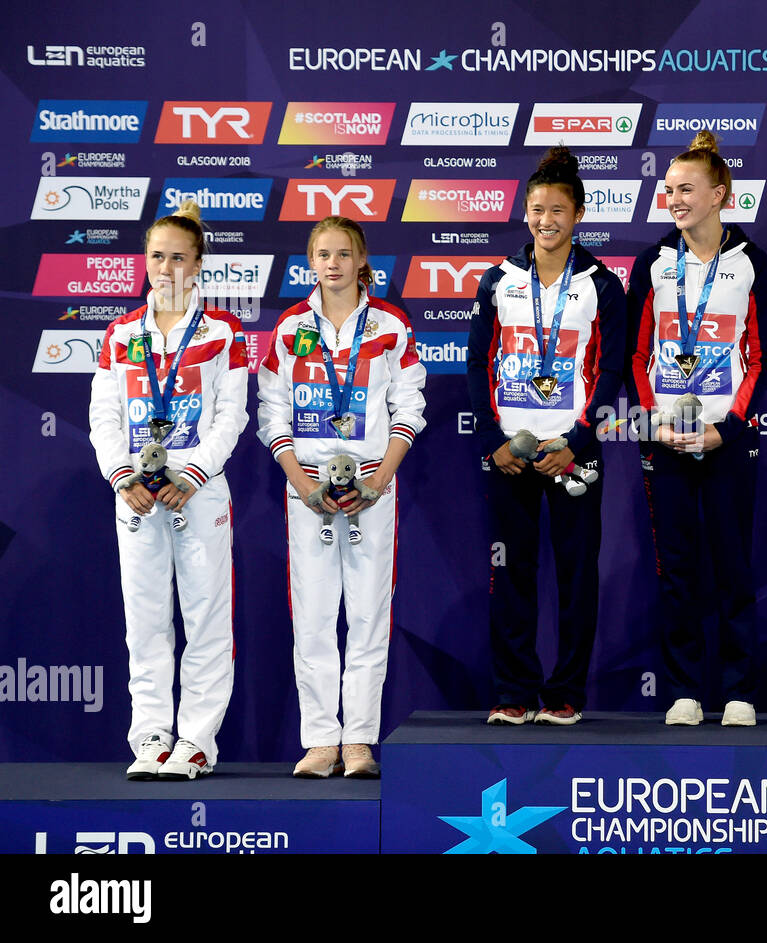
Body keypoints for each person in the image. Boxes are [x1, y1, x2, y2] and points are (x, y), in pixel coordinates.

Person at [257, 216, 426, 777]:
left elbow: (410, 408)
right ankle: (320, 741)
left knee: (368, 615)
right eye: (322, 254)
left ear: (361, 261)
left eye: (343, 253)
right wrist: (302, 485)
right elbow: (272, 413)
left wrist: (379, 482)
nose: (332, 264)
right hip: (307, 488)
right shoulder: (288, 329)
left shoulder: (390, 326)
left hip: (373, 488)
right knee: (312, 617)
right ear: (310, 262)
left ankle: (357, 741)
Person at [89, 200, 248, 780]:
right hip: (135, 493)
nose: (166, 268)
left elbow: (231, 418)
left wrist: (193, 474)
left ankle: (197, 741)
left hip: (196, 491)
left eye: (178, 258)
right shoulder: (120, 332)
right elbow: (104, 416)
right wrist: (121, 475)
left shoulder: (223, 332)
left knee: (206, 616)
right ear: (145, 260)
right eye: (157, 256)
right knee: (146, 619)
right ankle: (152, 736)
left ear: (199, 264)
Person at [467, 146, 626, 725]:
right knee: (511, 574)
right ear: (525, 213)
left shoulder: (602, 285)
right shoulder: (498, 280)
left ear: (579, 214)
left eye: (558, 210)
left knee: (576, 577)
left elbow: (611, 373)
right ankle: (513, 691)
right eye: (537, 209)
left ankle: (565, 694)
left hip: (573, 453)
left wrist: (577, 444)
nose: (546, 220)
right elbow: (477, 364)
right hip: (510, 453)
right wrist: (494, 442)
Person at [626, 130, 767, 727]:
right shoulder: (653, 264)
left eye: (686, 189)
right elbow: (636, 356)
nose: (674, 199)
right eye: (668, 190)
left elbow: (764, 358)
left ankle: (740, 690)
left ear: (720, 195)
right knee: (678, 570)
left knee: (734, 566)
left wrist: (729, 428)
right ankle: (683, 689)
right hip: (664, 440)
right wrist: (653, 422)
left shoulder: (752, 265)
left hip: (727, 439)